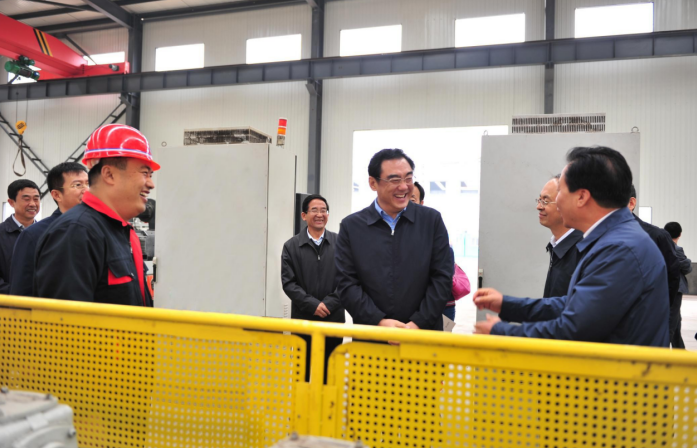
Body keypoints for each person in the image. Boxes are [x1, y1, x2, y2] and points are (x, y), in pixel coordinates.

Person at [473, 146, 669, 347]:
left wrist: (501, 332)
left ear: (582, 197)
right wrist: (508, 305)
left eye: (560, 191)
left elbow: (574, 329)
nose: (556, 201)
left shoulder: (619, 250)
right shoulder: (615, 240)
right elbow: (577, 305)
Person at [35, 124, 158, 306]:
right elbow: (66, 320)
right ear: (109, 174)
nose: (151, 184)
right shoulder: (76, 232)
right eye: (145, 173)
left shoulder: (115, 230)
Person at [335, 148, 453, 338]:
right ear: (373, 183)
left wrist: (418, 323)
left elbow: (442, 278)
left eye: (408, 178)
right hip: (372, 337)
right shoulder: (352, 227)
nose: (404, 187)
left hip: (423, 337)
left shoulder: (431, 221)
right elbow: (346, 284)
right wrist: (379, 322)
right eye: (395, 180)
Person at [282, 194, 344, 381]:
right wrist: (312, 305)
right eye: (314, 210)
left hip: (333, 319)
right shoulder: (291, 246)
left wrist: (329, 303)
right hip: (303, 319)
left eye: (323, 210)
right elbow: (289, 283)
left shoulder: (341, 244)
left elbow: (348, 279)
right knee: (301, 374)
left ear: (328, 215)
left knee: (330, 375)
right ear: (304, 215)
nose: (320, 214)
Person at [10, 163, 88, 297]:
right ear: (57, 195)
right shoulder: (34, 235)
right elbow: (22, 291)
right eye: (77, 185)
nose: (86, 190)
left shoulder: (98, 229)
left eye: (88, 183)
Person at [408, 181, 468, 322]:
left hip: (444, 306)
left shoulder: (433, 226)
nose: (407, 204)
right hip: (413, 308)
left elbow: (444, 275)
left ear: (421, 203)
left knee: (442, 336)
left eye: (412, 200)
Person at [628, 185, 681, 341]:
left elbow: (672, 277)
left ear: (631, 203)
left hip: (645, 327)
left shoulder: (657, 236)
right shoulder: (594, 236)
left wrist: (656, 314)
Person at [536, 175, 583, 298]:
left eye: (545, 201)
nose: (538, 207)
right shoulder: (557, 245)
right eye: (539, 200)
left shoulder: (583, 250)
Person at [0, 179, 40, 294]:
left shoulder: (47, 232)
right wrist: (17, 294)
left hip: (42, 301)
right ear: (11, 202)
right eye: (26, 199)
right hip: (9, 301)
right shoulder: (1, 233)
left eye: (36, 199)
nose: (32, 204)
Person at [664, 221, 691, 349]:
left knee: (676, 321)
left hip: (664, 286)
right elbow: (687, 267)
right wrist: (688, 261)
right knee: (672, 320)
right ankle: (662, 350)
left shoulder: (660, 246)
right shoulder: (677, 249)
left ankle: (679, 350)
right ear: (680, 234)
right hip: (676, 288)